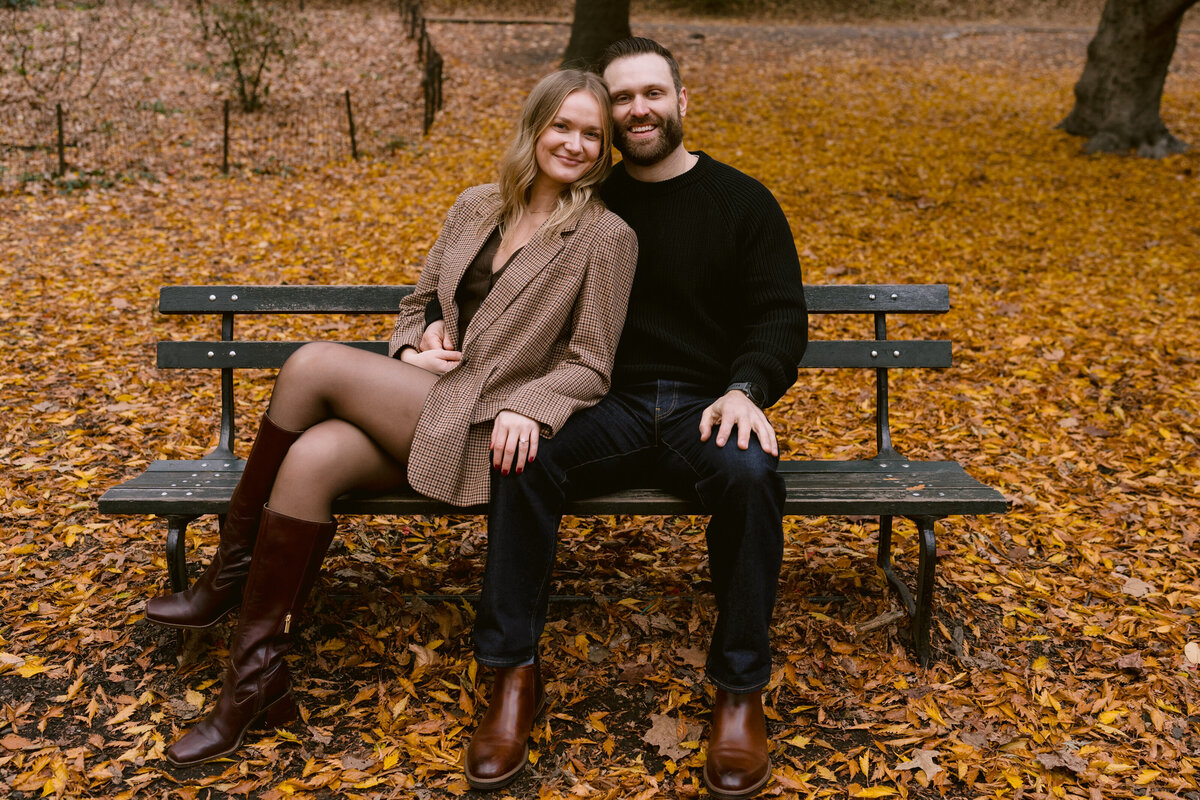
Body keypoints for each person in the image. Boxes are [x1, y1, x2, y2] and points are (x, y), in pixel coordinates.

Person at [143, 69, 638, 768]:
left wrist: (533, 405)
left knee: (313, 365)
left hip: (486, 427)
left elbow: (591, 362)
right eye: (564, 125)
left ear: (606, 148)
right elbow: (416, 305)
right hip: (427, 402)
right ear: (535, 127)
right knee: (313, 458)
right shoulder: (474, 206)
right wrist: (417, 341)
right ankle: (253, 684)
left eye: (593, 134)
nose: (576, 144)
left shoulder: (604, 236)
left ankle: (226, 573)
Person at [463, 38, 808, 799]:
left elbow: (780, 317)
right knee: (520, 458)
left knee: (751, 478)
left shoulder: (743, 202)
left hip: (705, 407)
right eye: (622, 99)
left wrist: (747, 388)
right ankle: (512, 678)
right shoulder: (588, 205)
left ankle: (741, 692)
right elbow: (517, 303)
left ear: (683, 102)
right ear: (611, 118)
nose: (638, 108)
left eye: (653, 92)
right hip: (602, 402)